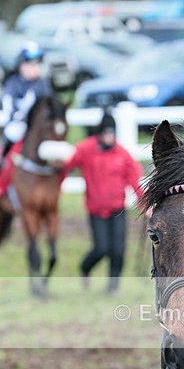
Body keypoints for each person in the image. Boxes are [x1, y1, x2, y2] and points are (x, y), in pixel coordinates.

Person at [63, 112, 143, 294]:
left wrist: (145, 205)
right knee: (101, 248)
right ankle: (85, 267)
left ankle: (113, 287)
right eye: (106, 133)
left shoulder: (122, 154)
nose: (109, 137)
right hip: (96, 209)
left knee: (118, 250)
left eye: (112, 133)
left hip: (118, 209)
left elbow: (135, 181)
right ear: (99, 133)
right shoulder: (85, 149)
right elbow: (67, 165)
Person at [0, 41, 52, 174]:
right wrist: (19, 112)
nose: (33, 68)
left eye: (36, 64)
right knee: (14, 131)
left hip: (40, 123)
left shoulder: (43, 84)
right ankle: (2, 159)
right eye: (29, 64)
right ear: (21, 65)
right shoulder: (13, 83)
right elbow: (9, 104)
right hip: (20, 121)